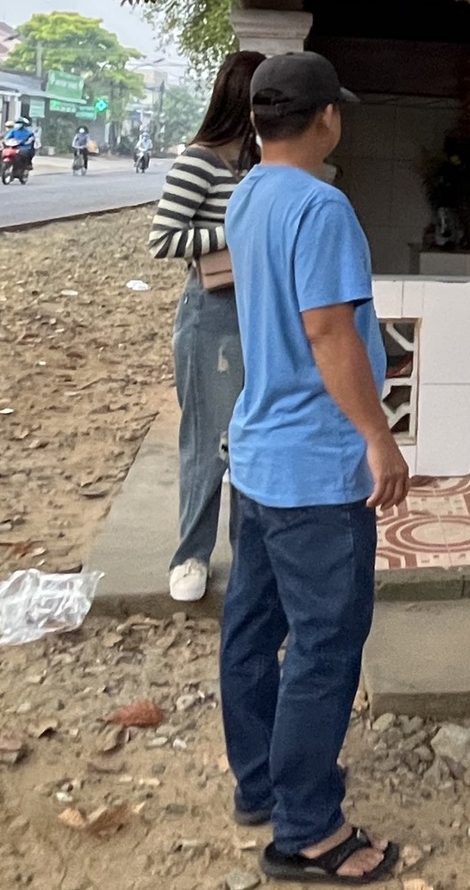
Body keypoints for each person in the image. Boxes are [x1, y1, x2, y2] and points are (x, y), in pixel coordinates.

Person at [220, 51, 408, 884]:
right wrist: (378, 435)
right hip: (315, 466)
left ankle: (260, 784)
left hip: (258, 454)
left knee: (254, 632)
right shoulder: (322, 206)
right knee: (328, 643)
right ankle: (307, 830)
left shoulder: (249, 195)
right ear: (327, 116)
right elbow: (330, 333)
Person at [147, 52, 262, 603]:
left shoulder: (258, 163)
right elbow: (163, 239)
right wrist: (231, 232)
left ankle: (247, 554)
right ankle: (190, 556)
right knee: (206, 442)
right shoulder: (200, 161)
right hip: (211, 313)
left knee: (249, 441)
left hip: (257, 312)